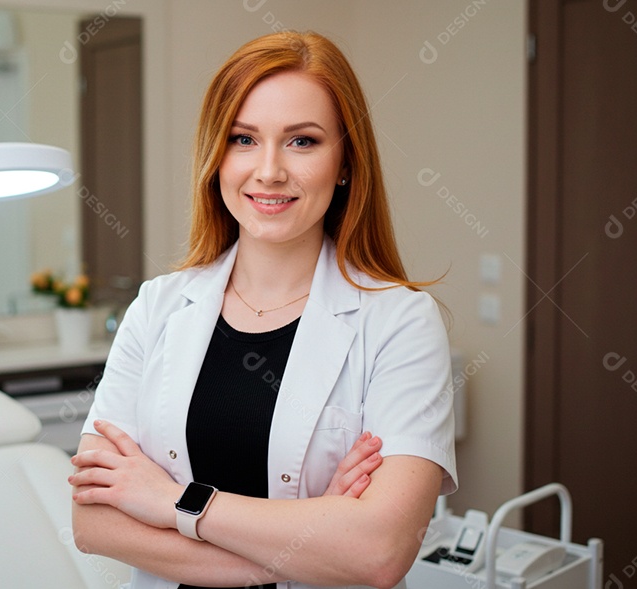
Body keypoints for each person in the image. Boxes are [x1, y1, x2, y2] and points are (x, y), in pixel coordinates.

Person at [69, 30, 457, 589]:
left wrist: (173, 502)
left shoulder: (400, 322)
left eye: (302, 142)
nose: (269, 170)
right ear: (216, 155)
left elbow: (378, 552)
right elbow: (94, 523)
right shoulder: (158, 307)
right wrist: (314, 533)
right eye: (243, 139)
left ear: (345, 161)